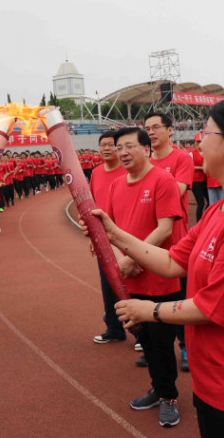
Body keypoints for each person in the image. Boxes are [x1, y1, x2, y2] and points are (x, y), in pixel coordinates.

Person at [85, 98, 224, 437]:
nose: (198, 140)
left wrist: (149, 310)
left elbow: (212, 308)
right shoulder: (219, 210)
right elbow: (170, 262)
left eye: (206, 131)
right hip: (214, 383)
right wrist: (113, 232)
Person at [104, 127, 183, 427]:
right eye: (118, 147)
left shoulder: (162, 180)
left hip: (159, 278)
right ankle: (158, 387)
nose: (122, 152)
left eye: (129, 146)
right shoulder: (115, 186)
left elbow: (165, 228)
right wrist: (122, 262)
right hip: (129, 278)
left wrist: (134, 258)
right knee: (144, 339)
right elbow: (110, 229)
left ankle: (169, 396)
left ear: (146, 149)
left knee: (162, 341)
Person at [144, 111, 194, 372]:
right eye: (147, 129)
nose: (151, 133)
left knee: (179, 299)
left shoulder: (181, 159)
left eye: (156, 127)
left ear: (170, 130)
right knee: (151, 297)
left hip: (175, 240)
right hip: (148, 240)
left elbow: (177, 191)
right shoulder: (144, 161)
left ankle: (186, 348)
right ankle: (155, 347)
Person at [89, 130, 127, 345]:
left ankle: (142, 333)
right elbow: (92, 205)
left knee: (132, 284)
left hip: (126, 237)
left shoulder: (127, 171)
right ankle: (114, 328)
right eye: (102, 144)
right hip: (103, 239)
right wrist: (91, 236)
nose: (106, 148)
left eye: (111, 144)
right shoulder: (96, 173)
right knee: (108, 285)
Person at [189, 134, 209, 223]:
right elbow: (189, 167)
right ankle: (199, 224)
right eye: (197, 141)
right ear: (195, 143)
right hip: (196, 182)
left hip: (205, 181)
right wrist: (201, 168)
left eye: (200, 141)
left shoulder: (206, 152)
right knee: (200, 203)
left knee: (210, 202)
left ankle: (205, 219)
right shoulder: (191, 153)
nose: (199, 143)